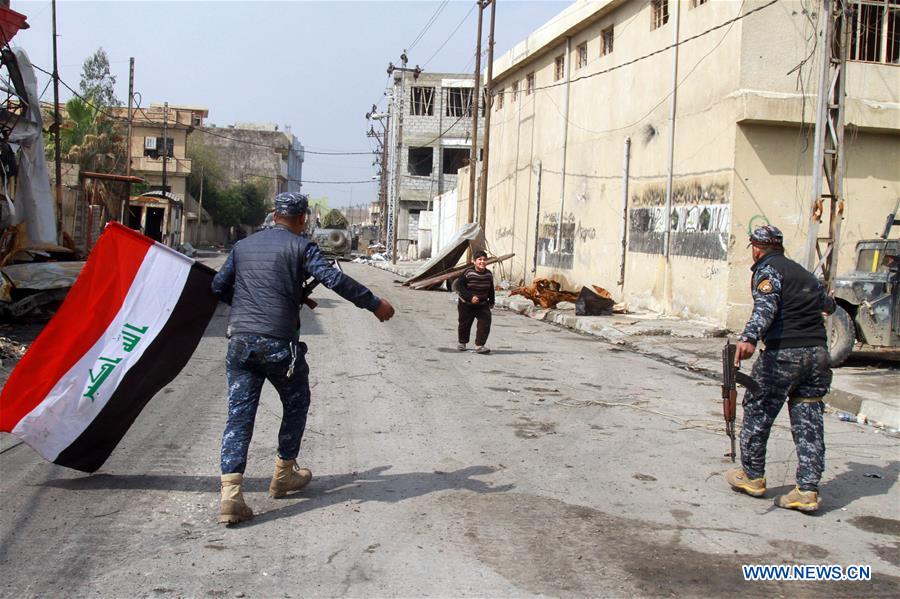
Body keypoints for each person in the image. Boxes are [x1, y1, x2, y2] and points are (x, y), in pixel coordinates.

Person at [211, 192, 395, 525]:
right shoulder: (302, 247)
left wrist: (273, 299)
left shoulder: (243, 247)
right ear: (302, 219)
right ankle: (283, 474)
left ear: (272, 214)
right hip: (278, 345)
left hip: (239, 342)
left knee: (238, 416)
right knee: (297, 402)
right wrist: (374, 303)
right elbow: (335, 279)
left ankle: (231, 495)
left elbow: (218, 286)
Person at [726, 225, 836, 512]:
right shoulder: (805, 274)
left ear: (757, 248)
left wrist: (749, 337)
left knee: (758, 411)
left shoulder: (768, 270)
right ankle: (807, 490)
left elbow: (766, 306)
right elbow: (828, 305)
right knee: (808, 418)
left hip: (784, 354)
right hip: (818, 355)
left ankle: (752, 476)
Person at [455, 250, 495, 354]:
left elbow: (491, 288)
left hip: (482, 304)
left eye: (484, 260)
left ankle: (480, 345)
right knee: (465, 324)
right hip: (466, 304)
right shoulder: (468, 272)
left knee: (485, 322)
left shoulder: (488, 274)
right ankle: (462, 343)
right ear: (474, 261)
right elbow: (459, 286)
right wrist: (470, 297)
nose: (482, 262)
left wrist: (492, 301)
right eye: (479, 259)